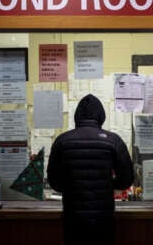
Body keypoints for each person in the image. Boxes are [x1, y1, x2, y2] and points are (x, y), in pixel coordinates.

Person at [47, 94, 134, 245]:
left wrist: (71, 185)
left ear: (76, 116)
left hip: (72, 217)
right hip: (103, 217)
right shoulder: (113, 140)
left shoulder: (62, 141)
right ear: (101, 116)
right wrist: (107, 184)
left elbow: (54, 181)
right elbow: (127, 179)